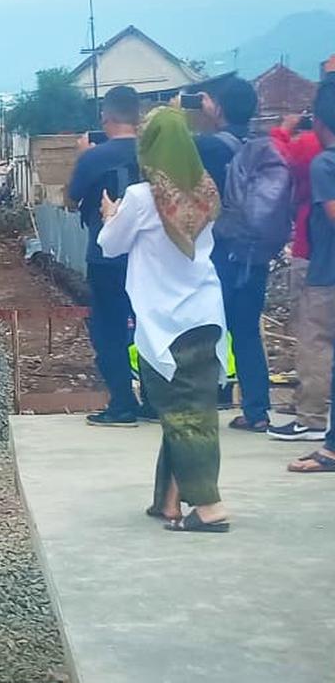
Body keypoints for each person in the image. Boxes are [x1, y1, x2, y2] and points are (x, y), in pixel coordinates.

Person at [98, 106, 231, 532]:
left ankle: (209, 507)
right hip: (206, 314)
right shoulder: (205, 190)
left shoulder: (142, 197)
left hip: (166, 323)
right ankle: (169, 501)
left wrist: (110, 216)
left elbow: (110, 245)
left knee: (185, 416)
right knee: (189, 408)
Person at [192, 77, 279, 432]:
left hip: (219, 252)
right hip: (255, 252)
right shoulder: (264, 146)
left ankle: (197, 403)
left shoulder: (208, 147)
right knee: (246, 332)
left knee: (203, 327)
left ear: (219, 109)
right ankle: (257, 411)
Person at [66, 85, 152, 427]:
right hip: (149, 257)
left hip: (106, 257)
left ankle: (122, 404)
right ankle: (155, 400)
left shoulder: (94, 158)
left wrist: (82, 156)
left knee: (109, 330)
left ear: (106, 116)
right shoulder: (152, 152)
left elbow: (71, 199)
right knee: (149, 325)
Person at [268, 112, 328, 441]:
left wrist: (283, 129)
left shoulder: (313, 148)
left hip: (312, 252)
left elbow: (278, 159)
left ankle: (312, 416)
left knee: (313, 337)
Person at [289, 80, 335, 472]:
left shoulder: (325, 163)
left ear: (319, 122)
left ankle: (316, 423)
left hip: (326, 273)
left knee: (317, 344)